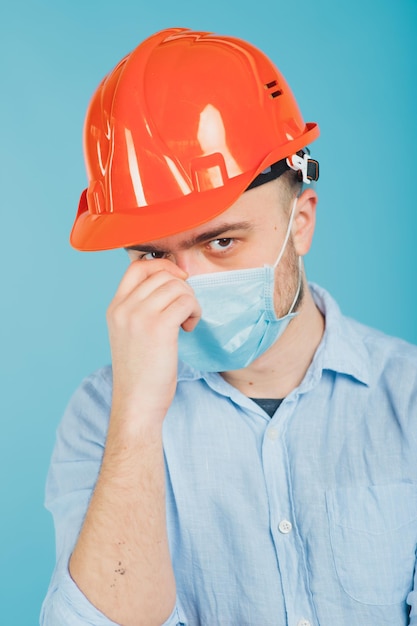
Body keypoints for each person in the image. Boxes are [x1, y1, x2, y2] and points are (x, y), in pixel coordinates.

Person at [41, 27, 417, 626]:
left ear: (300, 223)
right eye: (153, 257)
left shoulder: (407, 398)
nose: (185, 288)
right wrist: (137, 418)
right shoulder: (101, 416)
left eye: (221, 241)